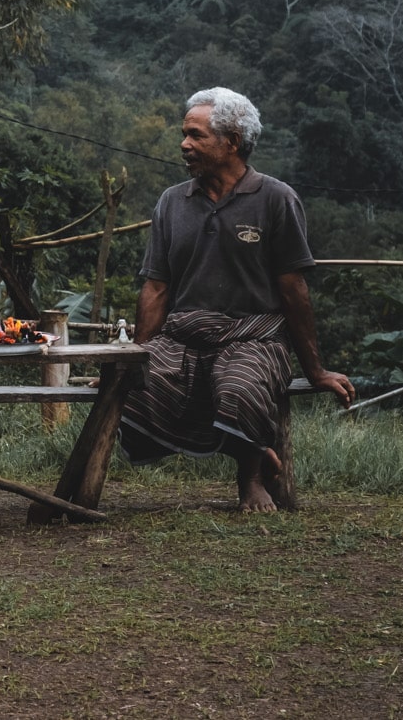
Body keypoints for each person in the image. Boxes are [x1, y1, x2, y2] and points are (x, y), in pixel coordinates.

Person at [121, 87, 355, 512]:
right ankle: (255, 450)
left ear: (231, 141)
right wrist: (135, 355)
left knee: (240, 386)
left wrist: (315, 370)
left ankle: (250, 478)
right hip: (184, 336)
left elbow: (293, 290)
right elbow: (156, 287)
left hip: (255, 338)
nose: (184, 144)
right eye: (184, 134)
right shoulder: (172, 202)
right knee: (132, 387)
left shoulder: (276, 199)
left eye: (196, 135)